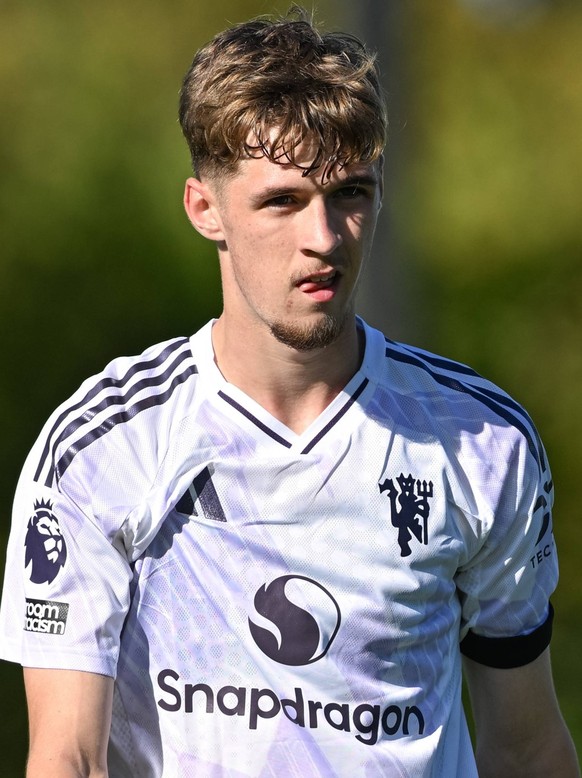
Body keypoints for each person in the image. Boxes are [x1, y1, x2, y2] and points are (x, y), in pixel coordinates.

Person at [0, 7, 579, 777]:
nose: (325, 237)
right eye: (282, 201)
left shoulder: (479, 441)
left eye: (351, 194)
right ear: (206, 211)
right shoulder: (108, 446)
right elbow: (67, 757)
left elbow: (528, 744)